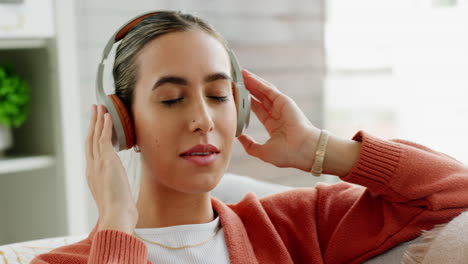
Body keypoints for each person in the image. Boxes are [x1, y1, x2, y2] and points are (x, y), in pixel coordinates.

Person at [31, 11, 468, 264]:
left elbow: (455, 192)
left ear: (238, 110)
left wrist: (319, 149)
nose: (203, 118)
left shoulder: (297, 225)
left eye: (219, 95)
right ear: (122, 120)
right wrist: (115, 224)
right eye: (170, 99)